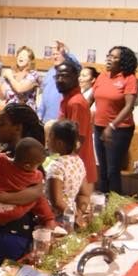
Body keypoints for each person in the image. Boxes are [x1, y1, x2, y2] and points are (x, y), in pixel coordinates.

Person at [0, 137, 55, 276]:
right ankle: (50, 220)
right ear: (29, 165)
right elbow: (38, 195)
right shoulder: (35, 176)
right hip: (17, 220)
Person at [89, 45, 138, 194]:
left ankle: (115, 205)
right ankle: (103, 204)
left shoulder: (129, 79)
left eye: (114, 57)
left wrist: (112, 126)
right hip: (99, 127)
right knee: (102, 170)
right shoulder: (102, 76)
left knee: (112, 170)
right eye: (109, 56)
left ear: (123, 61)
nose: (109, 59)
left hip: (119, 130)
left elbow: (129, 106)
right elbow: (90, 99)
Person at [55, 61, 98, 192]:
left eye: (65, 76)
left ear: (76, 78)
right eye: (57, 76)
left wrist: (63, 166)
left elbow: (77, 139)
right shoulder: (67, 100)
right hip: (71, 168)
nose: (60, 80)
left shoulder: (76, 103)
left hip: (78, 172)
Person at [45, 120, 89, 221]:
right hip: (70, 216)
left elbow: (56, 202)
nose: (47, 140)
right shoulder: (78, 161)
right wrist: (79, 213)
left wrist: (75, 216)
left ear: (59, 143)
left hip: (54, 218)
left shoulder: (56, 166)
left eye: (50, 137)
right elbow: (84, 194)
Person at [38, 41, 82, 122]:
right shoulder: (49, 72)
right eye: (53, 54)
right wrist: (40, 114)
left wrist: (66, 53)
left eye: (57, 54)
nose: (55, 57)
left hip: (60, 118)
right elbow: (44, 95)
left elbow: (78, 65)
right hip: (46, 118)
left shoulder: (70, 70)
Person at [0, 46, 40, 111]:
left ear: (30, 60)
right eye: (19, 55)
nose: (20, 57)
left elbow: (19, 89)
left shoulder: (33, 74)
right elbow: (2, 97)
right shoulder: (11, 73)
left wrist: (10, 77)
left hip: (26, 114)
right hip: (9, 113)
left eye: (24, 55)